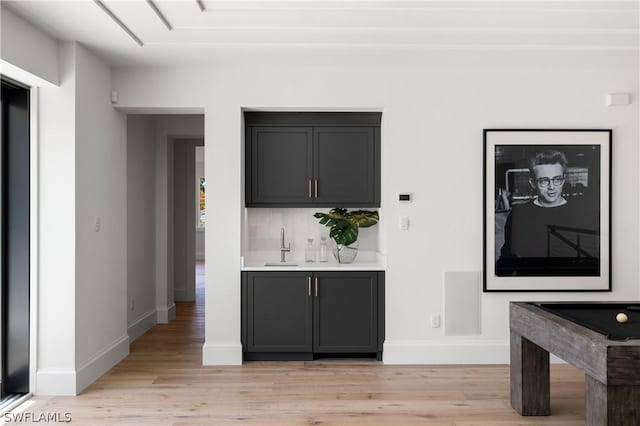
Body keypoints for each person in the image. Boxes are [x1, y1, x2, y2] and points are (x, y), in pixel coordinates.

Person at [498, 149, 599, 276]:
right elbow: (506, 264)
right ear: (533, 183)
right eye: (544, 181)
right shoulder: (519, 215)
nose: (551, 187)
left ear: (563, 179)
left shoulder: (581, 213)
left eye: (557, 179)